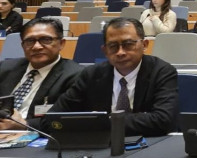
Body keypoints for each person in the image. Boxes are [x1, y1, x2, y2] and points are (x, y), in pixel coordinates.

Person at [50, 18, 179, 136]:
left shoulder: (162, 72)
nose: (120, 52)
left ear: (144, 45)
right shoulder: (91, 74)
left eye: (128, 44)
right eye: (113, 46)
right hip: (100, 145)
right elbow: (54, 116)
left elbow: (162, 120)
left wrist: (102, 121)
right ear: (105, 50)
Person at [0, 18, 82, 131]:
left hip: (37, 135)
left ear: (61, 43)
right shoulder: (5, 68)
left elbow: (67, 120)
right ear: (22, 45)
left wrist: (24, 124)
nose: (36, 47)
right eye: (30, 41)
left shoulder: (76, 76)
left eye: (46, 39)